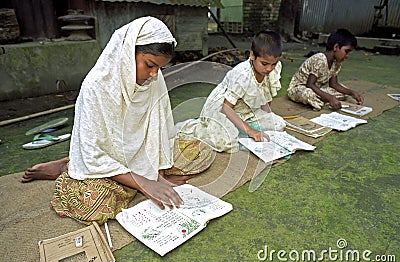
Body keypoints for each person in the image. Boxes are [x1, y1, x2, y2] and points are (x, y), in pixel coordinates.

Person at [21, 16, 215, 225]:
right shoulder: (96, 86)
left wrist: (158, 177)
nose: (153, 74)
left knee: (201, 152)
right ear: (126, 54)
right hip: (106, 157)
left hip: (141, 156)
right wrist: (144, 184)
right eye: (149, 65)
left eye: (159, 68)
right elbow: (94, 152)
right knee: (90, 203)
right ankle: (68, 167)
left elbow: (157, 130)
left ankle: (118, 176)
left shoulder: (153, 79)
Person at [175, 30, 286, 153]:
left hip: (246, 110)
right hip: (222, 109)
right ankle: (196, 128)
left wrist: (266, 117)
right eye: (264, 64)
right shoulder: (242, 75)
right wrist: (250, 130)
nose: (269, 69)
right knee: (226, 143)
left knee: (278, 124)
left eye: (273, 64)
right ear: (252, 55)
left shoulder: (274, 68)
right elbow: (226, 108)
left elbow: (266, 95)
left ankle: (240, 129)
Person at [287, 28, 364, 110]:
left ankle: (321, 99)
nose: (347, 55)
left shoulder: (336, 62)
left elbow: (334, 84)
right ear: (336, 47)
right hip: (300, 88)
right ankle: (321, 100)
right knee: (308, 94)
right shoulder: (320, 59)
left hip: (317, 89)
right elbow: (310, 84)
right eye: (346, 51)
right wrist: (330, 97)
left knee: (343, 93)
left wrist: (351, 93)